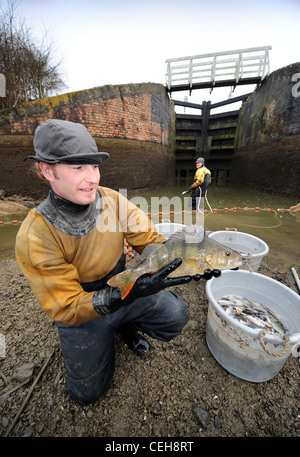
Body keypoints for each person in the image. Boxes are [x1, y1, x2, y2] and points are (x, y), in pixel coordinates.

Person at [15, 119, 219, 405]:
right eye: (78, 168)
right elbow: (65, 306)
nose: (93, 178)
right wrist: (116, 297)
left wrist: (188, 257)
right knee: (86, 392)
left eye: (95, 166)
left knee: (176, 314)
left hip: (125, 286)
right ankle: (107, 331)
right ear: (47, 170)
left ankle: (123, 325)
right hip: (83, 308)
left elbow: (148, 239)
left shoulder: (112, 200)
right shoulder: (35, 235)